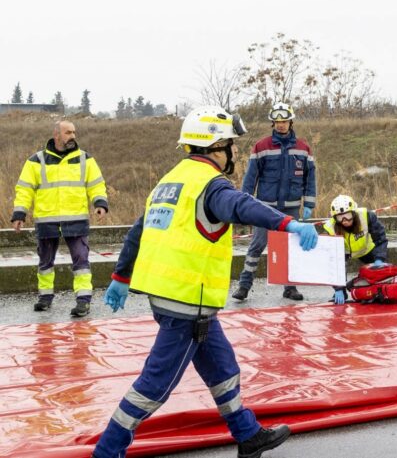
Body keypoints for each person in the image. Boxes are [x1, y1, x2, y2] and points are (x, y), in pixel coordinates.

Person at [92, 106, 317, 458]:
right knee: (154, 386)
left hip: (175, 297)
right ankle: (107, 452)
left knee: (223, 367)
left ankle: (248, 435)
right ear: (216, 146)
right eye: (230, 145)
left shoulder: (171, 181)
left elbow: (138, 231)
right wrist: (288, 224)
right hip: (186, 303)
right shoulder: (212, 186)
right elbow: (243, 205)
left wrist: (121, 276)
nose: (234, 152)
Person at [12, 120, 108, 317]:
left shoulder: (85, 159)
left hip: (76, 219)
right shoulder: (36, 161)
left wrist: (100, 204)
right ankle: (45, 297)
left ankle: (83, 300)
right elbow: (24, 189)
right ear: (56, 135)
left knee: (81, 260)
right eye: (68, 132)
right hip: (47, 220)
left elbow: (96, 185)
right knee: (45, 261)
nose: (72, 136)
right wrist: (19, 214)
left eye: (74, 132)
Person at [232, 102, 317, 302]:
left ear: (290, 122)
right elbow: (250, 178)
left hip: (292, 207)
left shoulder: (304, 148)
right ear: (273, 123)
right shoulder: (261, 147)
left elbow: (309, 178)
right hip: (265, 207)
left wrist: (309, 204)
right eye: (277, 122)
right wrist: (244, 204)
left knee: (291, 248)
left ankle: (290, 288)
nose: (280, 125)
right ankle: (244, 286)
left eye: (284, 121)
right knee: (257, 245)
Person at [322, 194, 389, 304]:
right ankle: (342, 291)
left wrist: (379, 258)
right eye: (340, 217)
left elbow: (380, 238)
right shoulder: (330, 228)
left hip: (367, 250)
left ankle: (372, 288)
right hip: (344, 253)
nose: (344, 221)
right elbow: (333, 261)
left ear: (354, 213)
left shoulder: (366, 216)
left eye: (348, 216)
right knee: (338, 272)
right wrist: (338, 288)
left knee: (380, 275)